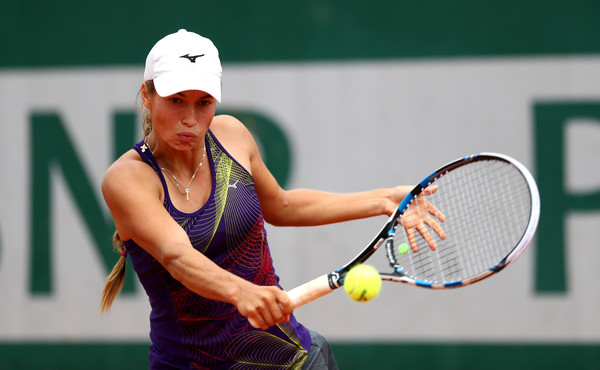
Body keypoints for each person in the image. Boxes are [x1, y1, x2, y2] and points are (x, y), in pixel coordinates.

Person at [100, 29, 445, 369]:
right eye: (176, 101)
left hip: (294, 359)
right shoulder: (127, 179)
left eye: (203, 103)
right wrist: (241, 292)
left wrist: (384, 199)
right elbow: (176, 256)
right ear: (147, 95)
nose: (190, 119)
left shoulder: (231, 135)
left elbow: (281, 206)